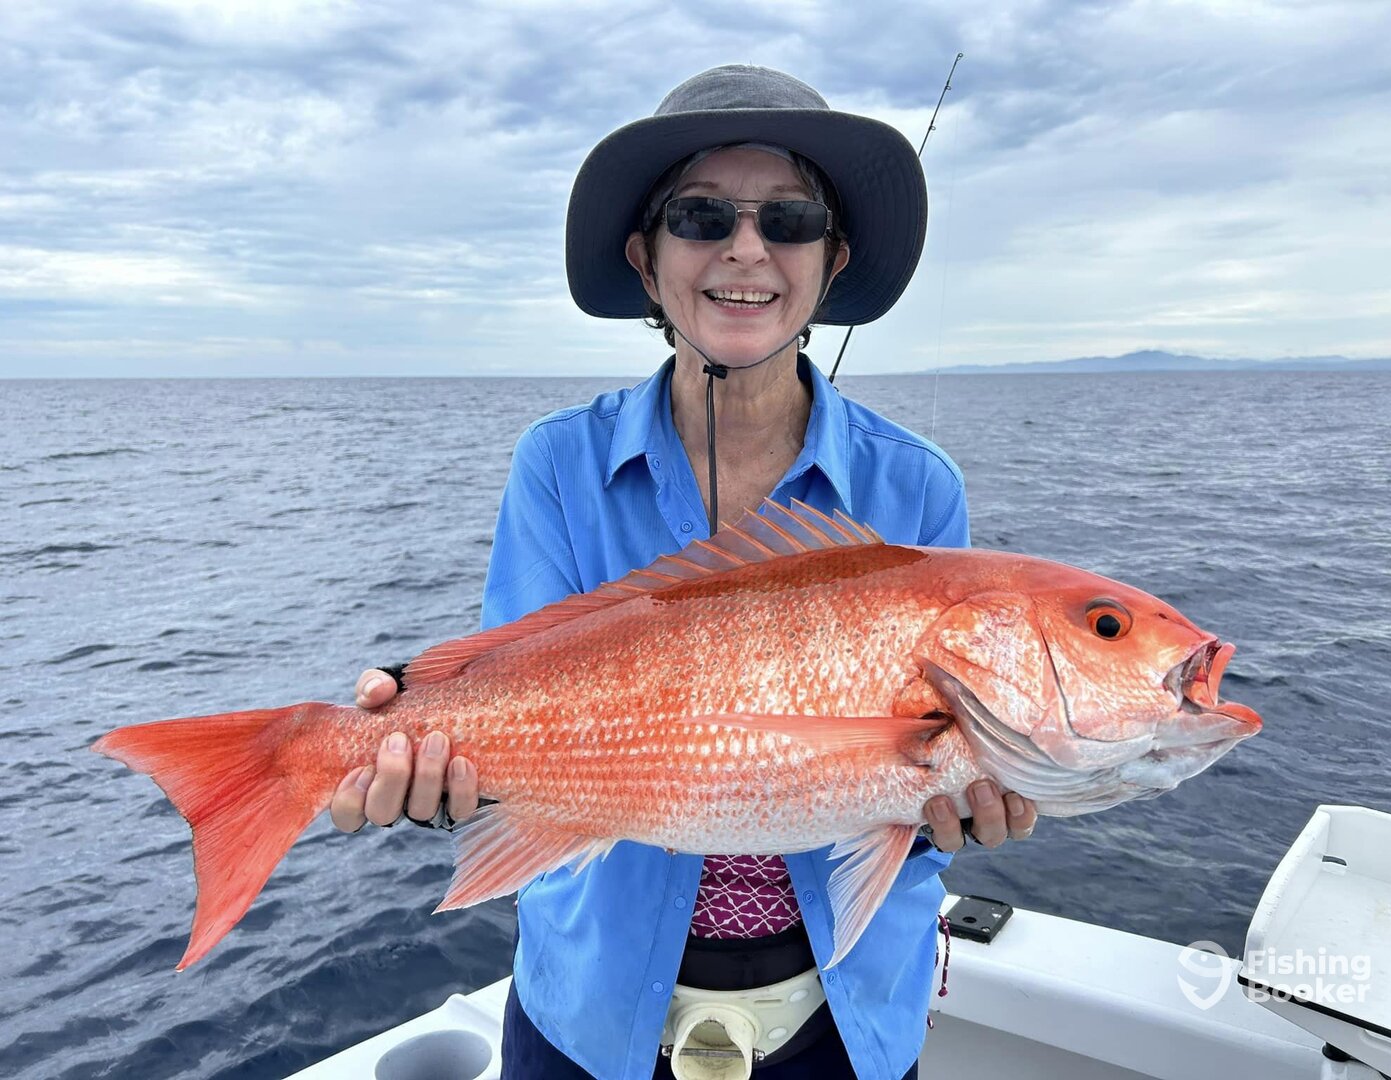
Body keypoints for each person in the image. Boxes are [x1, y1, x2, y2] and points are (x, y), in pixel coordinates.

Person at [329, 65, 1039, 1080]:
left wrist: (963, 804)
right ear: (646, 258)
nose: (747, 249)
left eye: (790, 220)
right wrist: (430, 759)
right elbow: (514, 689)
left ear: (831, 261)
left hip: (840, 1021)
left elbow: (907, 800)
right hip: (592, 1013)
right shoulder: (560, 464)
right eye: (702, 216)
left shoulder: (916, 486)